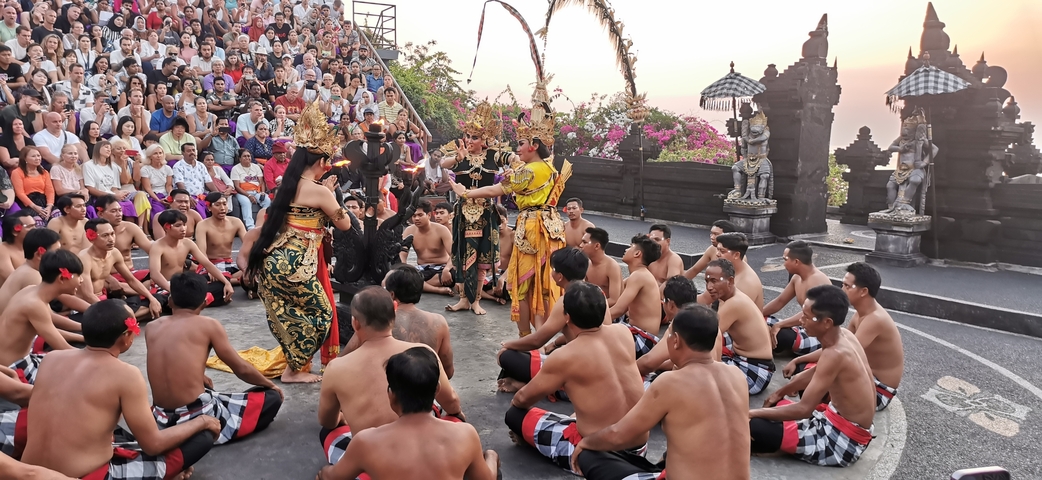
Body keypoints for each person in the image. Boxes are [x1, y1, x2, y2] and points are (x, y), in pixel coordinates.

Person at [20, 299, 220, 478]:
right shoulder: (126, 374)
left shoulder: (51, 358)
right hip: (85, 475)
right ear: (126, 337)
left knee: (120, 432)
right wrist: (203, 421)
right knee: (202, 437)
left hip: (31, 472)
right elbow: (154, 445)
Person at [245, 100, 356, 383]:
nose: (328, 167)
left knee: (293, 314)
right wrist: (334, 197)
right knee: (323, 314)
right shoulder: (319, 191)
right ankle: (293, 371)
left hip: (276, 259)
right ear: (321, 162)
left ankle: (295, 364)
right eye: (327, 162)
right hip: (296, 264)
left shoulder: (289, 184)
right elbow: (344, 223)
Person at [573, 305, 751, 480]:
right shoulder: (736, 376)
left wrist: (585, 442)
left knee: (589, 455)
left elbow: (618, 435)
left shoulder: (671, 383)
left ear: (676, 340)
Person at [449, 104, 568, 333]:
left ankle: (527, 337)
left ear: (534, 145)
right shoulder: (549, 167)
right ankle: (542, 335)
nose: (517, 148)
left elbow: (495, 190)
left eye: (521, 143)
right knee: (541, 283)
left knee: (521, 284)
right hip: (550, 226)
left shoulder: (529, 170)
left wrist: (465, 193)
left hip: (533, 228)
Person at [506, 281, 646, 474]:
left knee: (514, 415)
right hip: (639, 448)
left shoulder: (566, 356)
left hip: (597, 454)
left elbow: (522, 399)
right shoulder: (623, 333)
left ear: (567, 318)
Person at [317, 288, 463, 467]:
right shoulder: (423, 353)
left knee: (327, 432)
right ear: (394, 314)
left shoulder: (336, 368)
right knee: (455, 419)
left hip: (372, 462)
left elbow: (327, 421)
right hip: (422, 453)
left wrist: (341, 417)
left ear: (355, 323)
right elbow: (452, 404)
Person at [316, 347, 497, 480]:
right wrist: (491, 456)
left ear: (391, 396)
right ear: (437, 390)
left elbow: (331, 477)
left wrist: (323, 473)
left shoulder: (366, 442)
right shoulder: (466, 434)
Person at [146, 272, 283, 445]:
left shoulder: (151, 327)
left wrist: (200, 376)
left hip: (160, 417)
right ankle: (202, 432)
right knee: (271, 397)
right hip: (196, 414)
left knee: (214, 392)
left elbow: (167, 362)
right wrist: (271, 385)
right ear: (204, 303)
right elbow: (241, 369)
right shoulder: (209, 325)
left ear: (170, 301)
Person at [750, 285, 876, 467]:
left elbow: (803, 410)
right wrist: (780, 392)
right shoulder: (845, 335)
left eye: (807, 317)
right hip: (837, 420)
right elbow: (816, 371)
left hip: (841, 442)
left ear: (827, 323)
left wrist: (750, 413)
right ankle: (786, 443)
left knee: (753, 425)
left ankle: (785, 447)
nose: (801, 320)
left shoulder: (835, 354)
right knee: (777, 403)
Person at [785, 262, 904, 411]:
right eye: (843, 285)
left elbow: (842, 354)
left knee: (813, 379)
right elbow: (836, 345)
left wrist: (800, 380)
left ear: (863, 291)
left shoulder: (875, 319)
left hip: (877, 391)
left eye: (847, 286)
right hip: (863, 377)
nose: (842, 290)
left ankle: (816, 411)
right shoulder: (859, 315)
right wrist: (798, 360)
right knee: (803, 369)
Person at [496, 247, 605, 392]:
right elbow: (585, 333)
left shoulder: (567, 300)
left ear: (559, 276)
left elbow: (537, 341)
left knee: (506, 356)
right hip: (601, 364)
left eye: (553, 269)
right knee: (542, 353)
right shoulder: (598, 293)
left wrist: (508, 345)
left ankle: (545, 388)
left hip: (580, 371)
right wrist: (555, 343)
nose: (551, 272)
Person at [440, 101, 513, 316]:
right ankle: (464, 299)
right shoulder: (459, 155)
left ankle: (476, 300)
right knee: (464, 255)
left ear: (484, 139)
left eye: (475, 137)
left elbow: (514, 158)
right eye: (468, 136)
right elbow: (442, 163)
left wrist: (514, 170)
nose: (470, 140)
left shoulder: (493, 156)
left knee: (482, 257)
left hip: (485, 213)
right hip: (463, 213)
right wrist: (458, 157)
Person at [343, 265, 455, 378]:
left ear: (391, 295)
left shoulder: (377, 320)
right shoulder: (439, 322)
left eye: (384, 288)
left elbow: (344, 360)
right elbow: (448, 372)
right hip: (424, 386)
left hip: (383, 386)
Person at [0, 249, 84, 384]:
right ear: (61, 278)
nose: (81, 280)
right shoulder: (34, 304)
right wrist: (99, 357)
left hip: (19, 360)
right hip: (14, 369)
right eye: (78, 276)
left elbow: (50, 330)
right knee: (82, 376)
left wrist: (83, 338)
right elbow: (63, 347)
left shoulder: (30, 290)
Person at [704, 259, 774, 395]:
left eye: (714, 281)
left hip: (755, 372)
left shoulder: (734, 303)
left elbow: (705, 337)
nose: (709, 287)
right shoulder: (729, 298)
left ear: (730, 281)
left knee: (696, 371)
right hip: (741, 360)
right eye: (707, 281)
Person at [149, 210, 234, 313]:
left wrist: (226, 282)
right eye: (178, 226)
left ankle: (187, 303)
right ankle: (194, 302)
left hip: (183, 285)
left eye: (184, 225)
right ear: (166, 227)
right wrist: (173, 291)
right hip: (165, 288)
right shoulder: (157, 247)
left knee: (221, 286)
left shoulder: (187, 243)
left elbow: (206, 263)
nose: (183, 229)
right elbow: (155, 274)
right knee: (160, 300)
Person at [77, 218, 162, 319]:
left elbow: (131, 280)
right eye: (105, 235)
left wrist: (151, 299)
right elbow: (88, 295)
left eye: (112, 234)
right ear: (91, 237)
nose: (111, 239)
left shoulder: (114, 253)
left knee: (157, 300)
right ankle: (123, 317)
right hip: (88, 304)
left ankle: (124, 317)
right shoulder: (84, 258)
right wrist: (112, 312)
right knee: (122, 314)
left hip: (105, 299)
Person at [763, 240, 831, 355]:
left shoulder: (817, 280)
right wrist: (756, 314)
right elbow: (780, 301)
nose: (783, 264)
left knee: (780, 335)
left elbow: (812, 314)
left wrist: (780, 324)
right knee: (761, 321)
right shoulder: (796, 278)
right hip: (802, 326)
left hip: (818, 335)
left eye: (785, 259)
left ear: (796, 262)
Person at [635, 276, 703, 380]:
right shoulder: (706, 318)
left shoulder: (679, 323)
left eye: (663, 300)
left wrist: (626, 371)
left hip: (690, 382)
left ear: (671, 305)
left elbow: (649, 363)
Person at [608, 235, 662, 358]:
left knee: (597, 332)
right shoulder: (638, 275)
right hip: (637, 333)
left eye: (630, 247)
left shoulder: (639, 276)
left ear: (637, 253)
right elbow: (616, 294)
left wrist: (593, 320)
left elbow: (618, 309)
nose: (626, 249)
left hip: (643, 339)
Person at [0, 228, 68, 316]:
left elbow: (62, 296)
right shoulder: (32, 275)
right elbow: (47, 315)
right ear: (39, 254)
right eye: (55, 252)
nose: (59, 256)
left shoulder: (29, 268)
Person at [398, 200, 453, 296]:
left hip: (441, 268)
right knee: (400, 276)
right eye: (414, 216)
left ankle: (418, 285)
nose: (416, 218)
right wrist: (404, 269)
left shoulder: (441, 230)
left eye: (420, 215)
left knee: (455, 273)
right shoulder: (409, 231)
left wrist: (447, 269)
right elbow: (402, 254)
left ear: (429, 215)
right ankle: (436, 289)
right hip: (422, 269)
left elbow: (453, 254)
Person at [195, 193, 247, 286]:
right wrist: (211, 270)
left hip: (230, 264)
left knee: (255, 271)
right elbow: (201, 253)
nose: (222, 208)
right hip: (210, 264)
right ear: (209, 207)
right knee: (207, 282)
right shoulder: (202, 225)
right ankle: (233, 280)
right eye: (217, 205)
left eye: (224, 204)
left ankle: (228, 280)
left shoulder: (236, 222)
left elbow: (248, 245)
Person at [713, 232, 764, 309]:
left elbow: (730, 313)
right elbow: (707, 297)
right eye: (717, 250)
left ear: (736, 255)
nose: (717, 254)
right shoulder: (728, 269)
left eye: (722, 251)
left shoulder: (746, 283)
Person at [11, 146, 55, 227]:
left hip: (44, 202)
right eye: (33, 156)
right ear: (25, 159)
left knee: (57, 215)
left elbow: (50, 191)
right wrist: (35, 207)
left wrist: (49, 206)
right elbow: (20, 193)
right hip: (28, 204)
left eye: (38, 155)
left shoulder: (44, 172)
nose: (37, 158)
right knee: (38, 222)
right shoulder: (17, 172)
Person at [580, 227, 621, 307]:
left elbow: (614, 300)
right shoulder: (587, 264)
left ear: (597, 246)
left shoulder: (612, 266)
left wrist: (592, 307)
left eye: (584, 242)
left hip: (607, 310)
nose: (580, 245)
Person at [0, 212, 35, 289]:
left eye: (35, 225)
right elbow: (13, 280)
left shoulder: (34, 248)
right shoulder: (2, 250)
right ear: (15, 231)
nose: (35, 229)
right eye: (30, 226)